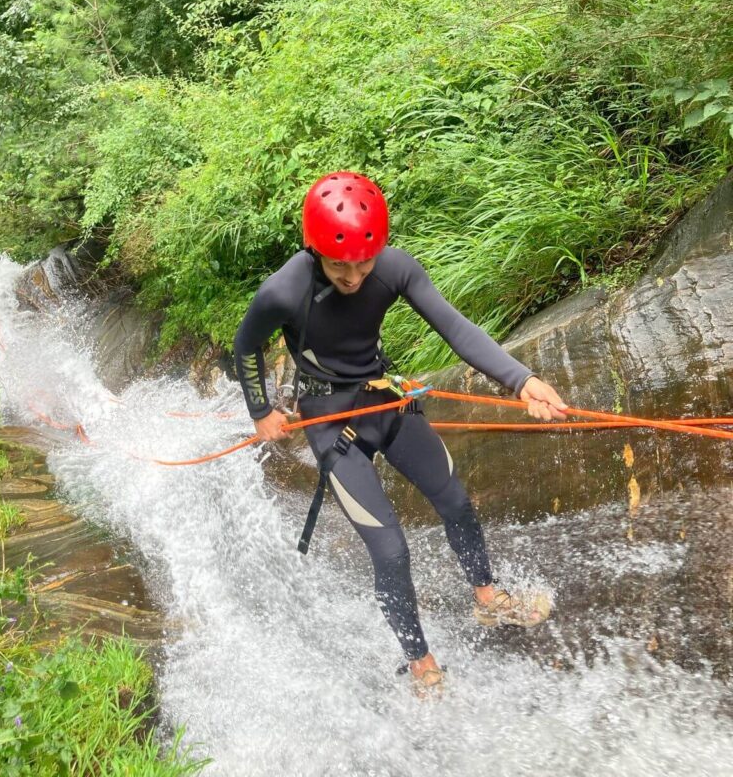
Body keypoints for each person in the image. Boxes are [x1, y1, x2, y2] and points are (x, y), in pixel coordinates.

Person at [234, 171, 567, 693]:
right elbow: (246, 347)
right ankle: (420, 663)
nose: (354, 276)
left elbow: (455, 327)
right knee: (391, 551)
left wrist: (521, 380)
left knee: (454, 499)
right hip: (329, 419)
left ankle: (489, 600)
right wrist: (260, 412)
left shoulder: (392, 269)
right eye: (340, 265)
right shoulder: (284, 290)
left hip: (383, 398)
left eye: (364, 261)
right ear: (314, 249)